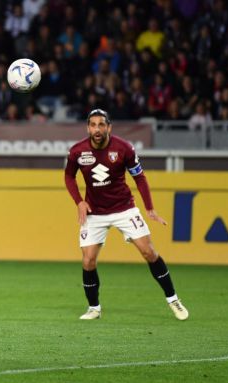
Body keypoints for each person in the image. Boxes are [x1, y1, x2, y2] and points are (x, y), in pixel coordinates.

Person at [64, 108, 189, 321]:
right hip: (94, 213)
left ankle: (173, 299)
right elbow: (69, 177)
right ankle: (94, 308)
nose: (97, 129)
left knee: (148, 252)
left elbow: (140, 178)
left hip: (124, 209)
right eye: (93, 125)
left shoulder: (124, 148)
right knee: (88, 261)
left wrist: (149, 208)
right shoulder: (77, 151)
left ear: (109, 127)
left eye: (101, 124)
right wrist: (79, 202)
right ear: (88, 128)